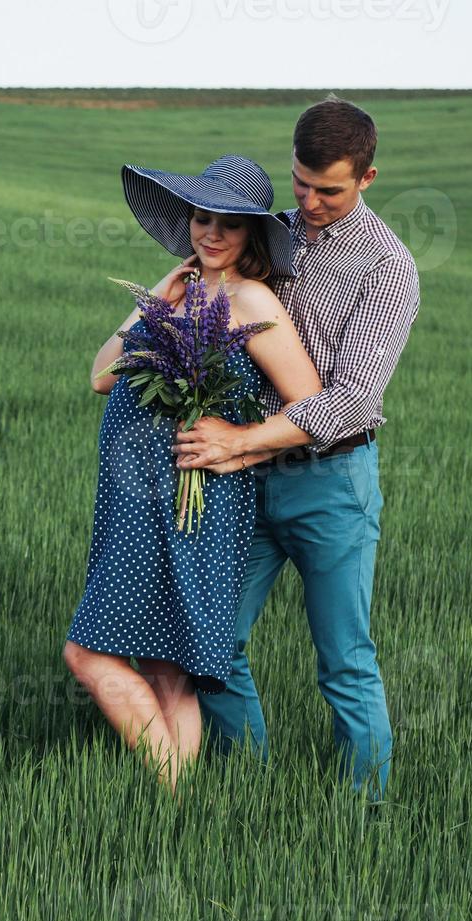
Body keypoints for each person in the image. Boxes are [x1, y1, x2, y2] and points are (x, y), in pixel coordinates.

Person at [172, 97, 422, 802]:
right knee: (211, 638)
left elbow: (348, 399)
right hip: (244, 481)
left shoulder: (387, 268)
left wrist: (240, 440)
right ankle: (242, 792)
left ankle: (362, 817)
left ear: (367, 178)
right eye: (299, 183)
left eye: (329, 190)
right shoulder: (270, 235)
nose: (308, 203)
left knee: (342, 660)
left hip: (330, 484)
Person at [62, 155, 322, 797]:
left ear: (252, 235)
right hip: (135, 499)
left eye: (228, 224)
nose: (210, 233)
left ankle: (166, 788)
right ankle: (176, 808)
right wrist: (156, 301)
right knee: (162, 663)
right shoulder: (183, 292)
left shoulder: (250, 299)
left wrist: (236, 446)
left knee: (87, 654)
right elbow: (101, 375)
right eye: (202, 217)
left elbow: (311, 403)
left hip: (194, 500)